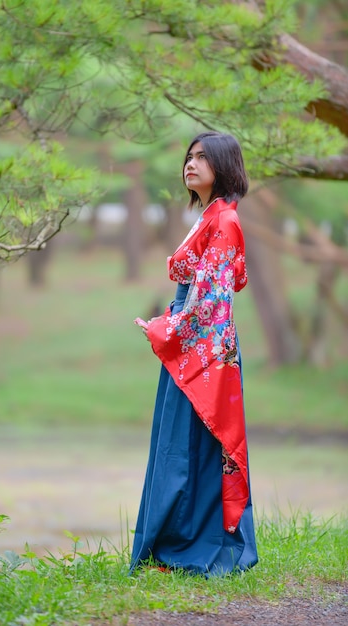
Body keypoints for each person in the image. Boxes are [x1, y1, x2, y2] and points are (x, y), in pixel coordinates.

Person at [130, 131, 258, 577]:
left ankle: (195, 549)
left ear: (224, 166)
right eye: (189, 156)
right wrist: (172, 325)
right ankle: (176, 545)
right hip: (194, 342)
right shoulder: (210, 216)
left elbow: (210, 302)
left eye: (203, 157)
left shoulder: (225, 221)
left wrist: (167, 329)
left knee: (194, 446)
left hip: (205, 347)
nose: (191, 163)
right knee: (181, 444)